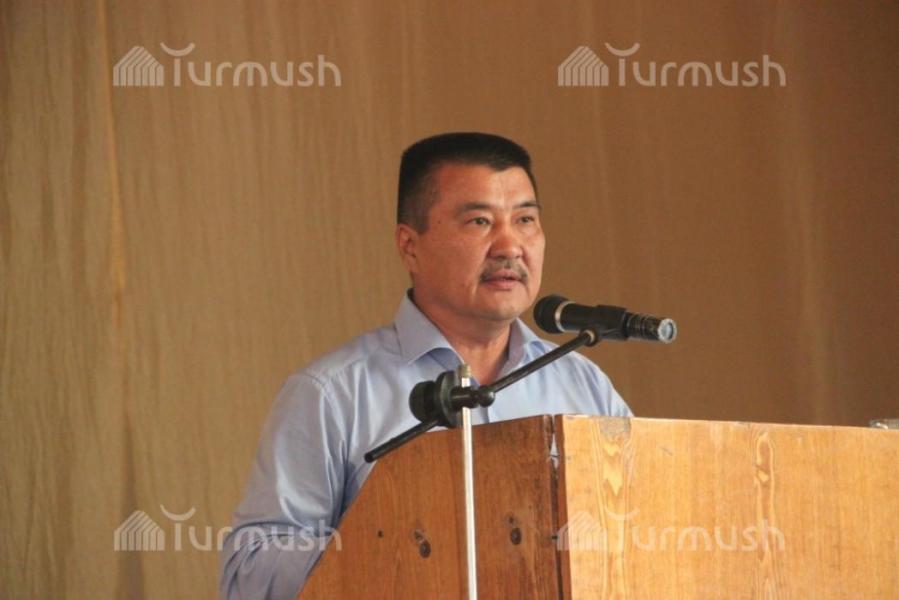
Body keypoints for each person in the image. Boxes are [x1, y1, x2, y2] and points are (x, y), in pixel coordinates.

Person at [220, 132, 632, 599]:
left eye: (525, 220)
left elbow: (641, 532)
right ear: (410, 246)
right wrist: (397, 553)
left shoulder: (582, 385)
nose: (510, 246)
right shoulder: (333, 393)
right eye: (479, 221)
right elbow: (249, 572)